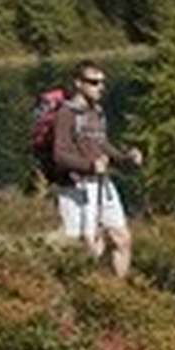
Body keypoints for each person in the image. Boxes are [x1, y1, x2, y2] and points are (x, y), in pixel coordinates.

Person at [51, 60, 143, 276]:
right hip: (77, 187)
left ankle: (118, 294)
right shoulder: (67, 114)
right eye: (93, 82)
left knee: (122, 238)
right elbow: (59, 154)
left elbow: (102, 144)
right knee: (90, 247)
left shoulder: (97, 112)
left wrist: (125, 158)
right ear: (78, 84)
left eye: (102, 82)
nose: (100, 87)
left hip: (102, 183)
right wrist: (90, 166)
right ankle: (88, 293)